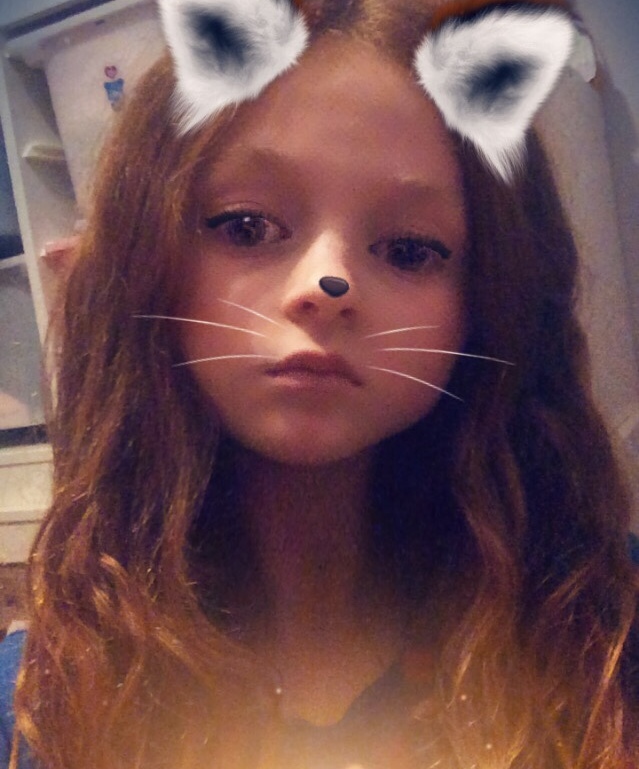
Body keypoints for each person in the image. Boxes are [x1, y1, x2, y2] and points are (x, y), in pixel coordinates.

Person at [1, 0, 638, 767]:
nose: (326, 283)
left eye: (408, 249)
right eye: (245, 226)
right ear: (143, 256)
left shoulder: (600, 626)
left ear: (488, 301)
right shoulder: (39, 702)